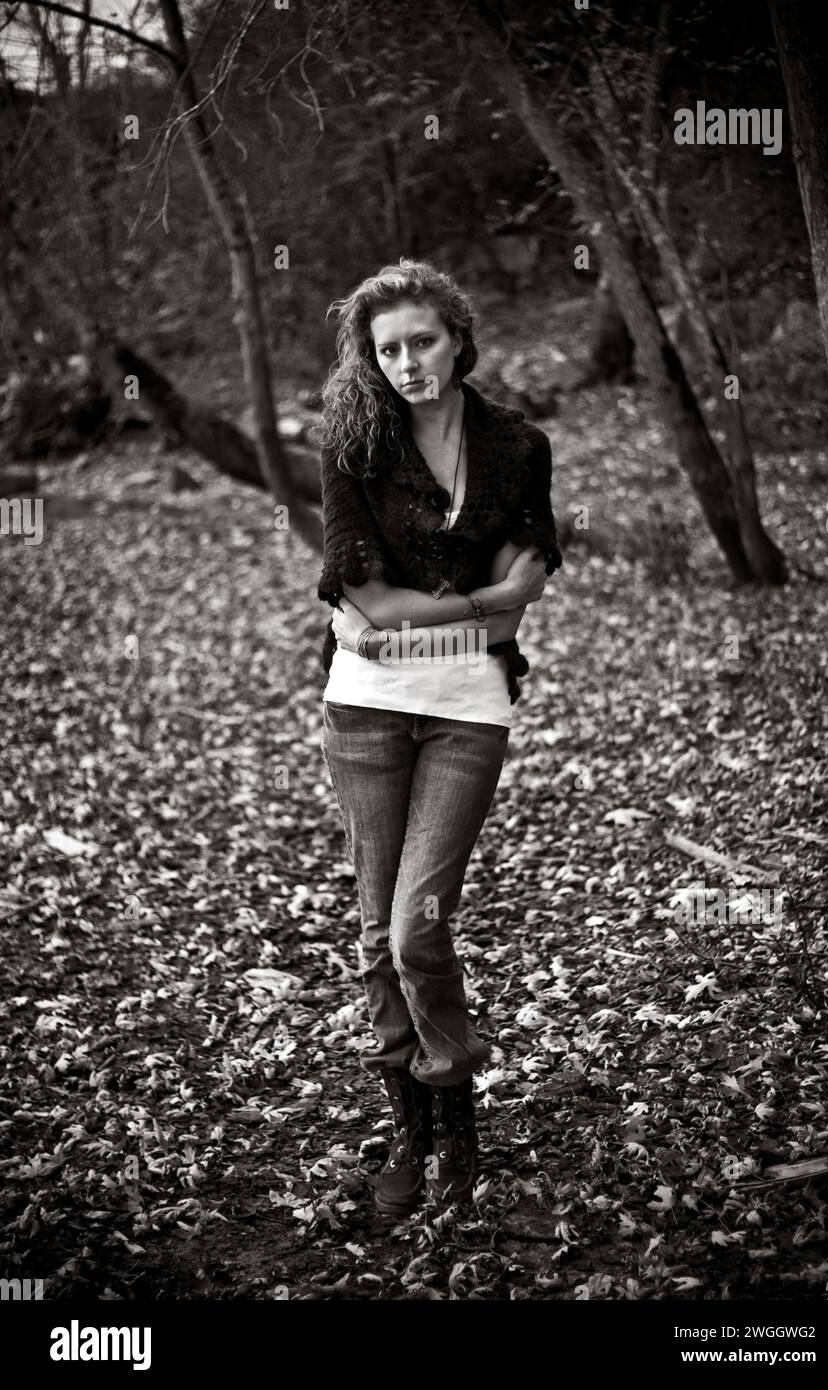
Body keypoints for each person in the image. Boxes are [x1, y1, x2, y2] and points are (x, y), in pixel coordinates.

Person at [315, 257, 563, 1216]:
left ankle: (454, 1104)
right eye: (389, 350)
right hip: (366, 708)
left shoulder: (517, 447)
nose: (408, 362)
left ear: (458, 338)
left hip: (467, 707)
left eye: (422, 342)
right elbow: (363, 597)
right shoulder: (353, 443)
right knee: (378, 934)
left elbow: (521, 597)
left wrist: (437, 619)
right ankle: (411, 1135)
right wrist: (483, 603)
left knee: (419, 923)